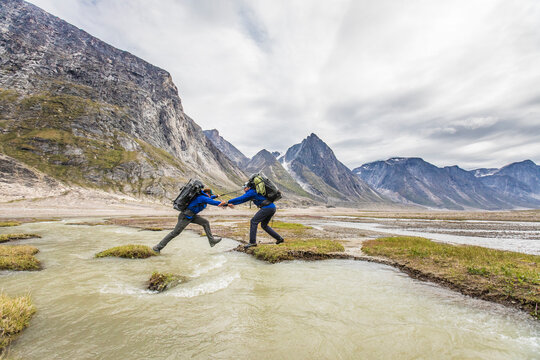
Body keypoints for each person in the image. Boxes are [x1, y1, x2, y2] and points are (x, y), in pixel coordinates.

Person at [152, 188, 222, 253]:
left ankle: (211, 241)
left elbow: (209, 198)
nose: (210, 196)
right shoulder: (202, 197)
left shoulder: (202, 196)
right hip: (185, 216)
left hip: (192, 216)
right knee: (175, 233)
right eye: (210, 194)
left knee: (205, 222)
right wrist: (225, 203)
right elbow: (212, 202)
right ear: (207, 193)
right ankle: (157, 247)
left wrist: (215, 196)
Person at [221, 182, 284, 248]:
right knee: (264, 225)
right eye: (243, 188)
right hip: (271, 208)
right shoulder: (251, 193)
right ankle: (279, 239)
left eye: (245, 188)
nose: (244, 189)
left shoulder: (252, 192)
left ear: (249, 187)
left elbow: (241, 198)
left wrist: (228, 201)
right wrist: (227, 204)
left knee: (253, 221)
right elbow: (242, 200)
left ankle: (252, 242)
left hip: (267, 208)